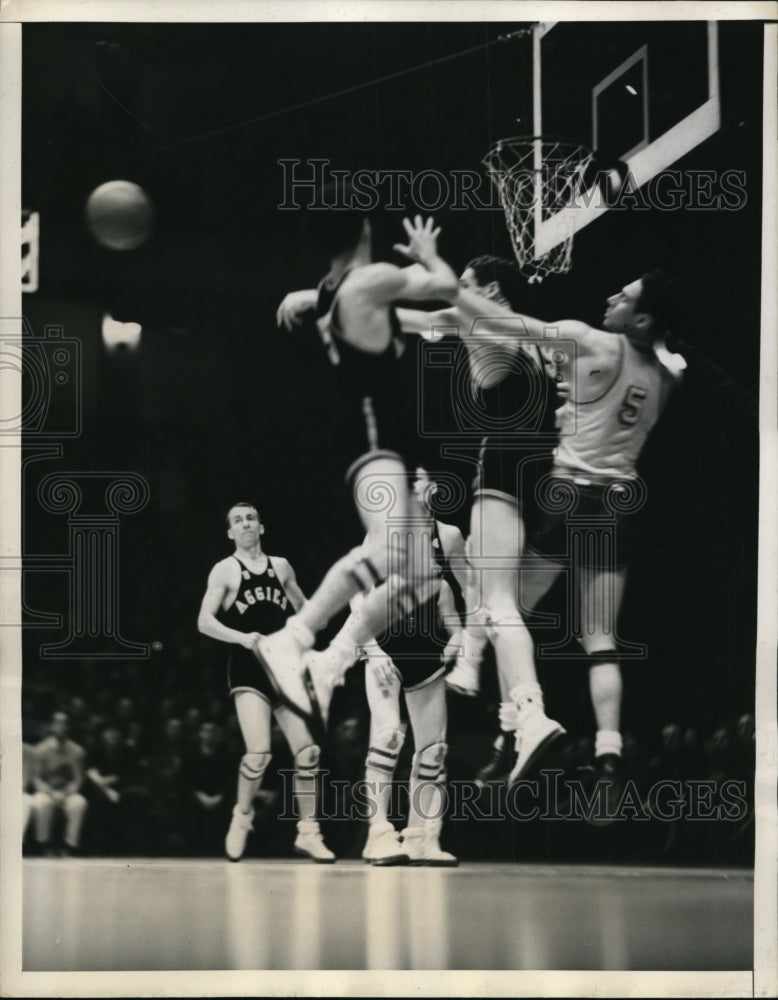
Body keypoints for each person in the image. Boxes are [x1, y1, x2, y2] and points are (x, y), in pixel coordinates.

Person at [452, 270, 686, 796]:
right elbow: (667, 359)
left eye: (623, 296)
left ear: (642, 318)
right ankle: (608, 754)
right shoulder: (670, 377)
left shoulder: (590, 340)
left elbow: (511, 324)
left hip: (570, 496)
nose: (611, 296)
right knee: (599, 640)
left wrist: (455, 291)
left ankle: (513, 733)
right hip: (621, 502)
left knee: (504, 611)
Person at [261, 202, 459, 726]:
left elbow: (403, 312)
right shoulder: (372, 278)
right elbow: (449, 288)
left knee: (420, 575)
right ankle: (295, 638)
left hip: (379, 438)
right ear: (366, 228)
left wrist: (302, 294)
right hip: (374, 437)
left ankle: (327, 665)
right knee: (393, 551)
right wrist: (429, 255)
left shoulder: (335, 285)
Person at [395, 256, 568, 784]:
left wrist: (322, 302)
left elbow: (399, 317)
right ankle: (506, 715)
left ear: (488, 290)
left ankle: (532, 715)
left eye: (465, 286)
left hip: (506, 463)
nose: (455, 292)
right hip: (555, 477)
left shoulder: (479, 320)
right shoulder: (542, 341)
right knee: (498, 600)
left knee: (495, 603)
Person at [330, 474, 467, 865]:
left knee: (434, 750)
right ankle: (378, 834)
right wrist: (372, 650)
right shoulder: (384, 530)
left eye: (420, 479)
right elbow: (358, 593)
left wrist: (462, 638)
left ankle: (423, 837)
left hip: (427, 653)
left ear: (435, 488)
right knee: (390, 736)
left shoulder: (450, 536)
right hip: (385, 650)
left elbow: (471, 589)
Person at [197, 502, 334, 862]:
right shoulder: (225, 570)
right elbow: (204, 621)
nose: (245, 524)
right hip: (249, 667)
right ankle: (242, 817)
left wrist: (318, 616)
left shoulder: (281, 566)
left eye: (251, 518)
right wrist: (241, 637)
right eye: (237, 521)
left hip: (285, 667)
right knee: (259, 753)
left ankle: (309, 832)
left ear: (261, 527)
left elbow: (306, 610)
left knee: (309, 753)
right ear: (230, 533)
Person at [31, 711, 88, 856]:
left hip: (67, 793)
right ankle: (43, 845)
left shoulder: (77, 751)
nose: (61, 726)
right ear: (52, 725)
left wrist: (66, 793)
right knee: (41, 803)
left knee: (79, 803)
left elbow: (78, 779)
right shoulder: (40, 749)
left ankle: (69, 846)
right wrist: (51, 792)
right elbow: (36, 778)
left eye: (65, 723)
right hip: (47, 792)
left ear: (69, 727)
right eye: (58, 723)